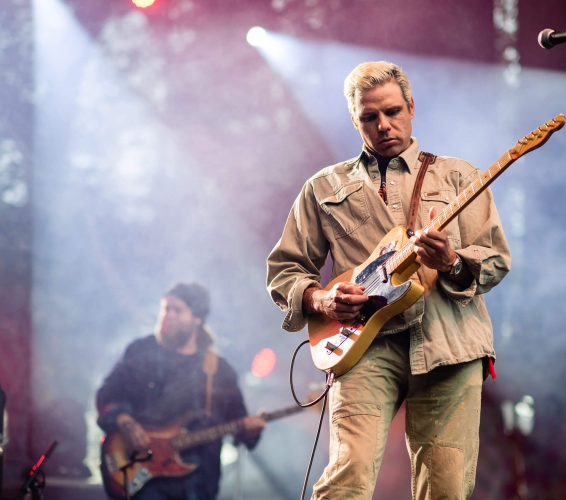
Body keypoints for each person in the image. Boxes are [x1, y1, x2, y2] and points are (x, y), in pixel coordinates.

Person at [266, 61, 511, 499]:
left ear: (411, 107)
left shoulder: (458, 175)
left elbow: (495, 259)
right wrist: (321, 300)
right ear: (354, 119)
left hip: (450, 344)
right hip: (363, 348)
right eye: (369, 117)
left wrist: (453, 261)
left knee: (446, 488)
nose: (383, 125)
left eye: (393, 111)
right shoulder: (323, 187)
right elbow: (284, 270)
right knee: (346, 479)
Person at [96, 282, 265, 500]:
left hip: (200, 485)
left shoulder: (219, 371)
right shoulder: (140, 351)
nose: (169, 315)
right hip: (145, 480)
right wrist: (125, 422)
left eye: (178, 310)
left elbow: (238, 423)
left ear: (197, 319)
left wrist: (252, 431)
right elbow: (107, 394)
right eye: (166, 308)